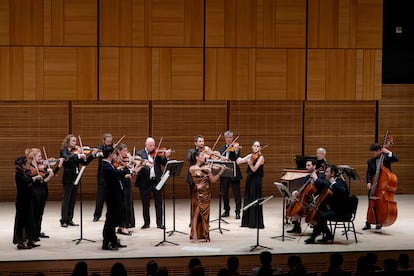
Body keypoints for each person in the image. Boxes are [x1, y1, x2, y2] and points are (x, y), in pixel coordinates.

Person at [101, 145, 138, 250]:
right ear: (109, 154)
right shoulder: (106, 165)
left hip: (116, 196)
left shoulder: (109, 164)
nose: (115, 156)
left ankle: (113, 240)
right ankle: (106, 243)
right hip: (112, 197)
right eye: (114, 154)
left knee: (113, 220)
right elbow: (116, 173)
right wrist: (128, 170)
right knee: (110, 221)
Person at [304, 165, 349, 244]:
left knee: (322, 216)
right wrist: (317, 197)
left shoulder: (340, 182)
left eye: (327, 172)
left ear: (333, 173)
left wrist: (333, 183)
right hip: (332, 208)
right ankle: (328, 234)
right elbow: (324, 193)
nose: (325, 173)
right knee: (313, 210)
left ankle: (313, 237)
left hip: (340, 211)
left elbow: (343, 191)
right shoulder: (328, 183)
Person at [59, 134, 97, 228]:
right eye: (73, 141)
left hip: (76, 178)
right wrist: (78, 154)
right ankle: (63, 220)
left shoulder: (75, 153)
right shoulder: (64, 151)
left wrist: (92, 155)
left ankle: (70, 219)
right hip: (68, 179)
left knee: (72, 200)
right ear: (68, 142)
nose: (75, 143)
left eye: (76, 141)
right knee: (66, 200)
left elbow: (84, 163)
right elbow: (67, 158)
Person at [189, 150, 226, 242]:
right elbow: (192, 170)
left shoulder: (207, 168)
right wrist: (203, 169)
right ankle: (194, 236)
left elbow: (213, 180)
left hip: (206, 194)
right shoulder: (194, 167)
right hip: (198, 194)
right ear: (197, 157)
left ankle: (205, 234)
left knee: (205, 216)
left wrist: (221, 171)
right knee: (196, 215)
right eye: (202, 155)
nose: (204, 157)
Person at [135, 137, 170, 229]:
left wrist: (166, 156)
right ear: (146, 145)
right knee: (145, 204)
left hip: (156, 181)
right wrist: (144, 163)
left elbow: (165, 163)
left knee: (159, 204)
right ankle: (146, 223)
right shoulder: (140, 153)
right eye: (151, 145)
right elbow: (137, 163)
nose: (153, 147)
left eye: (154, 145)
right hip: (144, 182)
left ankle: (160, 223)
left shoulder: (157, 154)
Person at [363, 142, 399, 230]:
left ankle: (379, 221)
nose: (372, 154)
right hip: (374, 185)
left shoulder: (386, 158)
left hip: (383, 186)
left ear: (379, 151)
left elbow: (396, 159)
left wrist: (388, 152)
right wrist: (368, 182)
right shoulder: (370, 161)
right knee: (371, 203)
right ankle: (368, 221)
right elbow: (369, 173)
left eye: (373, 152)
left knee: (380, 204)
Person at [13, 156, 43, 249]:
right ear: (23, 165)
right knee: (21, 222)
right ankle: (20, 243)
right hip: (22, 202)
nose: (29, 165)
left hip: (28, 200)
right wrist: (34, 178)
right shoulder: (18, 174)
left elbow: (31, 179)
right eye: (28, 164)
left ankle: (30, 240)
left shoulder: (25, 173)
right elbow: (25, 181)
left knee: (30, 222)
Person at [287, 159, 319, 234]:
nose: (306, 167)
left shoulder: (320, 177)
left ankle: (317, 228)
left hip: (314, 200)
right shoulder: (307, 177)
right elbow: (303, 188)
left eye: (308, 165)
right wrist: (297, 191)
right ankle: (296, 227)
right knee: (290, 205)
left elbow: (321, 187)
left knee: (304, 208)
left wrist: (316, 178)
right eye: (306, 165)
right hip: (305, 199)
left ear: (314, 166)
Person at [237, 141, 265, 229]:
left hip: (256, 181)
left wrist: (250, 163)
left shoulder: (261, 158)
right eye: (254, 146)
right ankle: (247, 222)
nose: (256, 147)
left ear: (260, 148)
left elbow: (254, 169)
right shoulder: (250, 156)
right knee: (248, 198)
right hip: (249, 180)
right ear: (252, 147)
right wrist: (237, 153)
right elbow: (239, 161)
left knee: (254, 199)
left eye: (258, 146)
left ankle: (254, 222)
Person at [115, 143, 141, 234]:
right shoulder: (116, 160)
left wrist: (139, 166)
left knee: (128, 203)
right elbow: (120, 172)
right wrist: (130, 163)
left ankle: (128, 223)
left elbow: (132, 173)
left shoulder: (126, 160)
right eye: (124, 151)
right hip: (120, 183)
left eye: (127, 151)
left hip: (127, 183)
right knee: (123, 204)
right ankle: (122, 225)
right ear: (119, 151)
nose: (126, 153)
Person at [219, 130, 242, 219]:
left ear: (232, 138)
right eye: (227, 137)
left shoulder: (236, 147)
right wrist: (221, 159)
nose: (229, 139)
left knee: (237, 193)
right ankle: (226, 210)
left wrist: (236, 151)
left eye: (230, 137)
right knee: (224, 193)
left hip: (234, 173)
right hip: (224, 173)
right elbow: (219, 159)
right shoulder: (221, 148)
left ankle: (237, 211)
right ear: (225, 138)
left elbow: (237, 158)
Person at [93, 133, 113, 222]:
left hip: (112, 175)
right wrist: (97, 152)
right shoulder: (100, 148)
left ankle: (110, 215)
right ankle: (97, 215)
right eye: (107, 141)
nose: (109, 143)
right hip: (102, 175)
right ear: (104, 141)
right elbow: (94, 154)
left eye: (110, 142)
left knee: (111, 197)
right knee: (100, 196)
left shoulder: (113, 149)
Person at [186, 135, 205, 226]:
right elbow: (190, 158)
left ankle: (202, 221)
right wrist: (199, 152)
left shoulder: (205, 152)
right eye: (200, 141)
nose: (202, 143)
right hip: (193, 179)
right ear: (196, 143)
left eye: (203, 141)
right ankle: (192, 220)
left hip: (203, 179)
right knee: (194, 200)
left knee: (203, 201)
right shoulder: (191, 151)